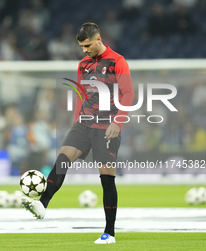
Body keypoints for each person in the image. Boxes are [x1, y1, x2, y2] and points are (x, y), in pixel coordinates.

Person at [21, 22, 134, 244]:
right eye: (82, 46)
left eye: (88, 45)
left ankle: (109, 233)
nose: (84, 50)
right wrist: (75, 123)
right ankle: (42, 204)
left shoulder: (117, 61)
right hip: (84, 124)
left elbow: (128, 93)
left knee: (106, 179)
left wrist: (118, 122)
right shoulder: (83, 64)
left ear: (99, 39)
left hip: (107, 125)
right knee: (62, 159)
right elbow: (81, 95)